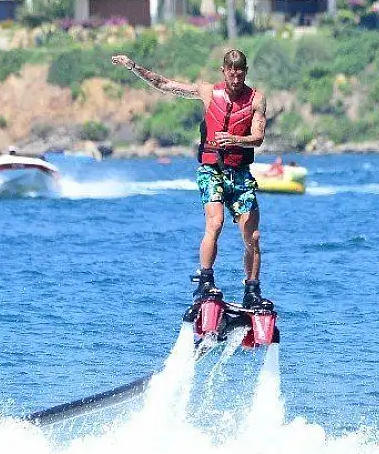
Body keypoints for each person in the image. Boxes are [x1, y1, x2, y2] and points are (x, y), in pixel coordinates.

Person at [111, 49, 271, 309]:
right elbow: (164, 84)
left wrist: (235, 140)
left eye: (240, 70)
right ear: (223, 71)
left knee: (252, 236)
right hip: (212, 171)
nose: (235, 75)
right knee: (215, 222)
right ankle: (205, 281)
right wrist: (133, 67)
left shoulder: (256, 100)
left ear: (245, 71)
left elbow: (259, 137)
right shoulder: (208, 92)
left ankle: (252, 290)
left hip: (240, 174)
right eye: (230, 70)